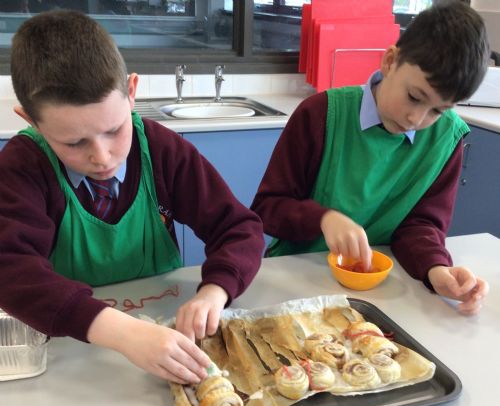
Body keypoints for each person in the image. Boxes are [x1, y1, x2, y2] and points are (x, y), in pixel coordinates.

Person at [0, 10, 264, 384]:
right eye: (74, 143)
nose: (102, 157)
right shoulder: (22, 167)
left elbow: (239, 229)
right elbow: (10, 269)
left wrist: (215, 290)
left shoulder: (163, 150)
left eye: (114, 130)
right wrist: (123, 333)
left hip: (166, 330)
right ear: (31, 121)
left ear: (132, 91)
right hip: (74, 348)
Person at [251, 1, 490, 315]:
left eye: (437, 110)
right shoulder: (321, 114)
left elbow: (420, 226)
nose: (416, 119)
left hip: (383, 292)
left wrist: (435, 269)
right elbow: (268, 207)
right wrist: (324, 219)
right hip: (296, 279)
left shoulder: (446, 138)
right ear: (390, 61)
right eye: (414, 97)